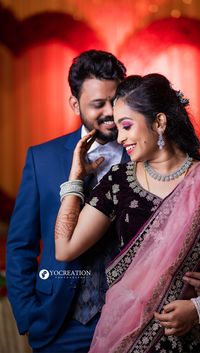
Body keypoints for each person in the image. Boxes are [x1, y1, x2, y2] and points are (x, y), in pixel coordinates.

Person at [54, 74, 200, 353]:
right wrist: (75, 176)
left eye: (127, 126)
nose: (121, 137)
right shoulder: (119, 181)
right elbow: (64, 248)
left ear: (159, 122)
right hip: (125, 336)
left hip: (197, 339)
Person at [6, 49, 128, 353]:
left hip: (130, 319)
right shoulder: (41, 159)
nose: (110, 112)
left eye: (115, 101)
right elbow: (21, 245)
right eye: (98, 104)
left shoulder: (147, 156)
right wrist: (28, 316)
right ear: (75, 103)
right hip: (59, 325)